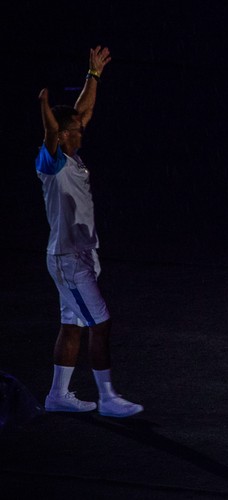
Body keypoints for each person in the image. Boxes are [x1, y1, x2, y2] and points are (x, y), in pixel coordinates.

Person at [36, 46, 143, 418]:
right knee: (100, 324)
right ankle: (109, 398)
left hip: (76, 255)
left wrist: (93, 75)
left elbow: (83, 111)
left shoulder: (72, 154)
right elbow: (52, 130)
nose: (83, 131)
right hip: (69, 259)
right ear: (62, 135)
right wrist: (45, 106)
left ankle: (57, 396)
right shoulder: (51, 163)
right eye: (75, 131)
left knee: (72, 325)